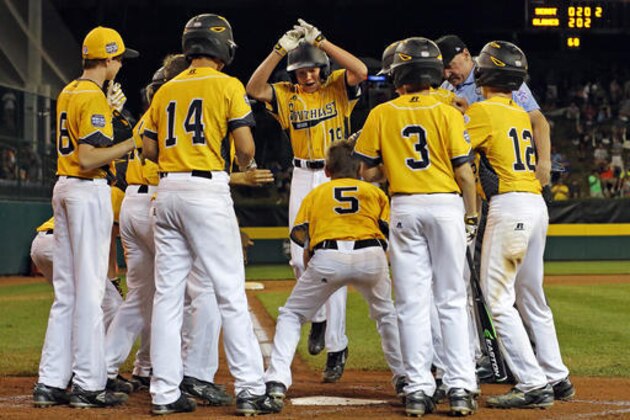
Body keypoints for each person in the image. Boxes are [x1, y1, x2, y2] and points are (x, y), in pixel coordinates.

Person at [142, 14, 280, 416]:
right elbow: (246, 146)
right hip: (205, 190)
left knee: (168, 297)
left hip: (166, 191)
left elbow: (149, 151)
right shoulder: (228, 84)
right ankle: (251, 390)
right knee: (229, 292)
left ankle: (164, 393)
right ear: (221, 47)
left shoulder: (165, 89)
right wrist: (244, 161)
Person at [355, 37, 478, 417]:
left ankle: (419, 389)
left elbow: (367, 172)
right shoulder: (448, 111)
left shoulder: (382, 113)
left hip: (405, 207)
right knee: (452, 299)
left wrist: (396, 160)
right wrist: (471, 215)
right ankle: (460, 387)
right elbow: (464, 172)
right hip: (445, 206)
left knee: (410, 304)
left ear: (400, 74)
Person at [246, 18, 367, 382]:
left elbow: (360, 70)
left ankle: (337, 344)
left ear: (322, 68)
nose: (308, 76)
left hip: (338, 175)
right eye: (301, 71)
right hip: (302, 174)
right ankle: (318, 318)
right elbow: (254, 87)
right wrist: (279, 50)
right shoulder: (286, 92)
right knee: (300, 259)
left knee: (338, 259)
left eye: (312, 69)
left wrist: (323, 42)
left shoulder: (336, 87)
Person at [464, 40, 574, 409]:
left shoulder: (481, 111)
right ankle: (557, 376)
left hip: (509, 208)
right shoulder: (518, 111)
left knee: (497, 300)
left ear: (483, 73)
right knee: (531, 296)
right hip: (535, 206)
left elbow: (455, 152)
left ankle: (532, 382)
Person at [33, 26, 138, 409]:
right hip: (84, 189)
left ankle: (50, 382)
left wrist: (107, 112)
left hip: (63, 189)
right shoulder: (92, 96)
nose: (121, 65)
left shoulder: (70, 90)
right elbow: (90, 158)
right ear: (108, 59)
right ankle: (89, 385)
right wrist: (133, 142)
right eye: (120, 58)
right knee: (91, 293)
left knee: (68, 294)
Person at [264, 138, 406, 408]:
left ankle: (276, 382)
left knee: (292, 314)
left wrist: (313, 273)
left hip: (328, 257)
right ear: (360, 168)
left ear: (327, 171)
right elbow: (389, 233)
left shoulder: (316, 194)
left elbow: (303, 240)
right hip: (371, 255)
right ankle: (405, 378)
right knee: (386, 314)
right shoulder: (374, 193)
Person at [436, 35, 552, 188]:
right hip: (466, 176)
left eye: (450, 66)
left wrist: (544, 162)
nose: (446, 74)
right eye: (442, 69)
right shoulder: (445, 88)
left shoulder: (497, 73)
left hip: (502, 174)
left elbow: (537, 120)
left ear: (465, 55)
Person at [30, 216, 123, 330]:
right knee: (112, 304)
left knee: (71, 303)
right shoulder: (119, 199)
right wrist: (112, 279)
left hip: (41, 244)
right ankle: (101, 346)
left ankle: (66, 345)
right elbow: (110, 238)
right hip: (63, 245)